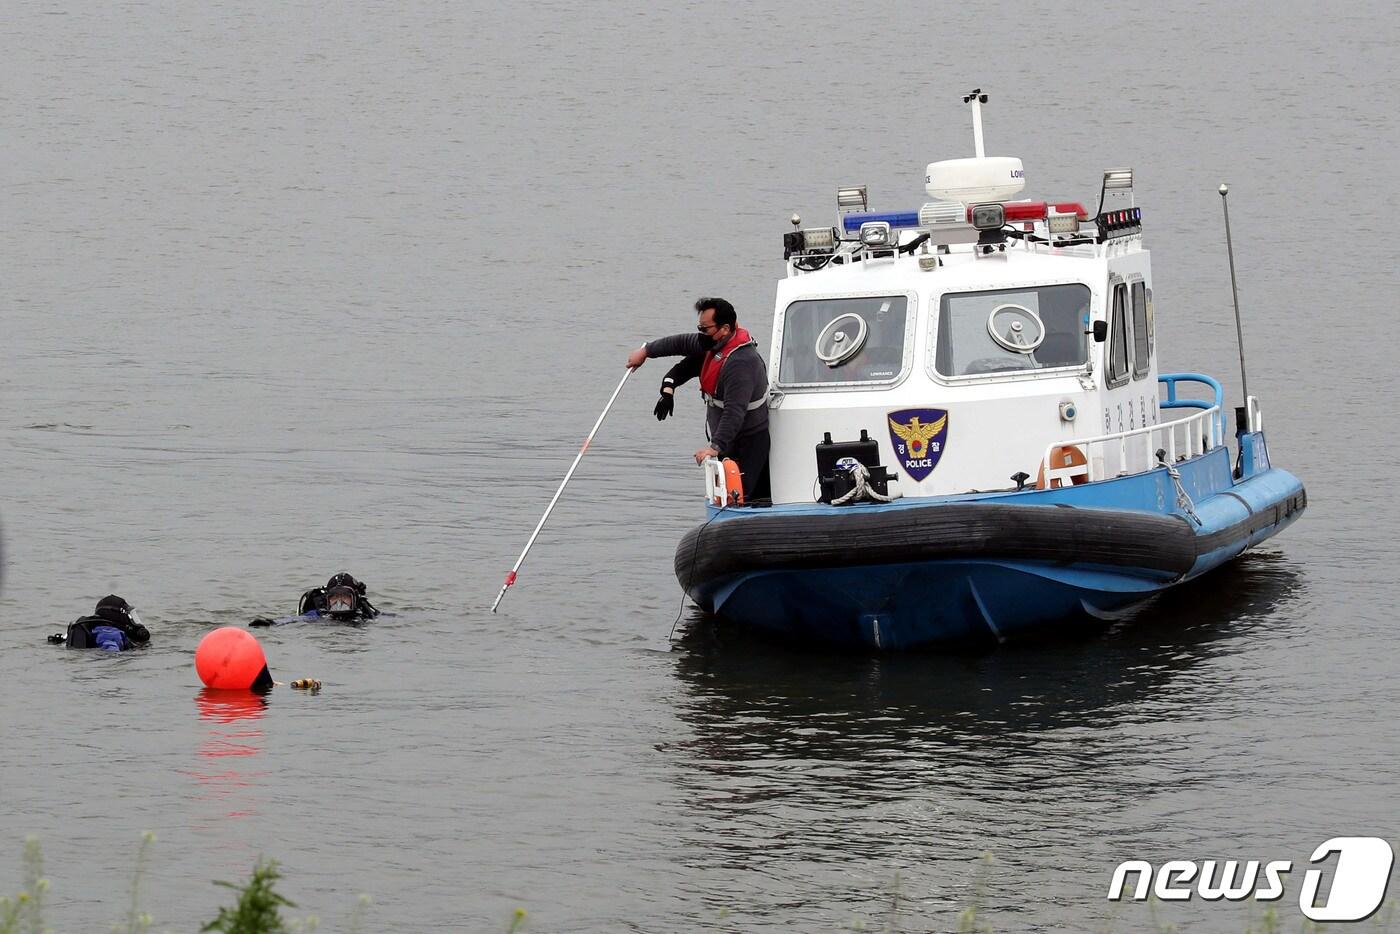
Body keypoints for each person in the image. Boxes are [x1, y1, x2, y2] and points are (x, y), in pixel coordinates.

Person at [628, 297, 771, 500]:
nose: (700, 334)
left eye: (705, 329)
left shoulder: (741, 362)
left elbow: (734, 411)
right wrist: (646, 351)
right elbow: (679, 345)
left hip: (748, 439)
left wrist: (714, 448)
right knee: (726, 491)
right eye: (699, 327)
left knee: (744, 495)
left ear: (725, 329)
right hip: (725, 439)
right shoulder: (714, 345)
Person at [251, 571, 380, 626]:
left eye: (345, 598)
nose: (339, 603)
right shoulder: (320, 615)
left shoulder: (365, 615)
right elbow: (294, 619)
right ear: (326, 600)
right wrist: (272, 623)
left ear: (355, 600)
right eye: (334, 599)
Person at [49, 595, 150, 651]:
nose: (134, 622)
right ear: (117, 616)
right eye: (130, 616)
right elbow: (111, 655)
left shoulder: (95, 628)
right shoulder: (110, 633)